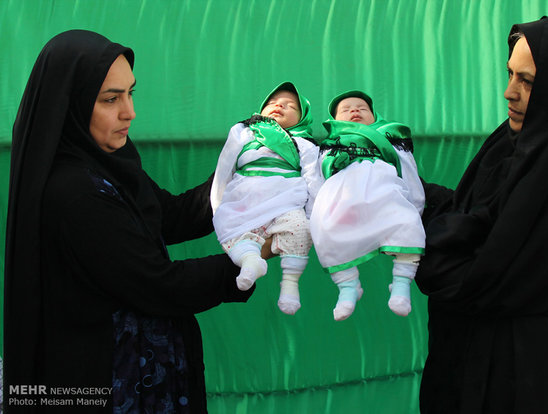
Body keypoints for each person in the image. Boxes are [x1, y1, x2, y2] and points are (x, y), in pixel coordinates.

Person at [3, 30, 257, 413]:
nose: (129, 112)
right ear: (70, 104)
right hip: (114, 387)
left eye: (129, 93)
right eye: (110, 99)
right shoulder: (75, 193)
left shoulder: (110, 162)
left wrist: (248, 169)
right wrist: (255, 254)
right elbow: (158, 285)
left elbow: (170, 215)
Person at [415, 16, 548, 413]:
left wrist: (414, 240)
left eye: (528, 81)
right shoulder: (511, 146)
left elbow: (475, 276)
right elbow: (472, 214)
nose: (509, 92)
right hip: (459, 365)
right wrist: (398, 182)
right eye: (510, 74)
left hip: (517, 379)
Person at [310, 91, 425, 321]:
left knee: (407, 224)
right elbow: (315, 179)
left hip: (386, 192)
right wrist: (313, 212)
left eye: (362, 108)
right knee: (326, 230)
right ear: (334, 120)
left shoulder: (392, 137)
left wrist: (415, 203)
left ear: (375, 116)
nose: (354, 111)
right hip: (341, 199)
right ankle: (348, 287)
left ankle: (402, 284)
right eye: (346, 109)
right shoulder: (329, 146)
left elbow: (409, 171)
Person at [210, 82, 320, 315]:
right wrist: (218, 206)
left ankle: (290, 282)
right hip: (243, 199)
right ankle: (250, 262)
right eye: (272, 102)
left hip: (284, 202)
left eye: (290, 105)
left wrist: (315, 217)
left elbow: (313, 181)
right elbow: (224, 169)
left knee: (301, 227)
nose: (279, 105)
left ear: (302, 118)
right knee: (231, 230)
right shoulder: (244, 132)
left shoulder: (304, 144)